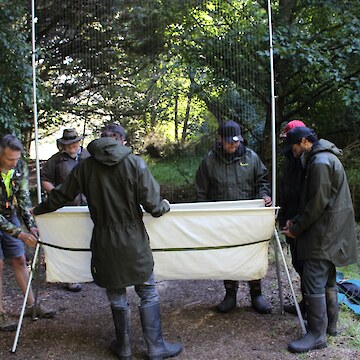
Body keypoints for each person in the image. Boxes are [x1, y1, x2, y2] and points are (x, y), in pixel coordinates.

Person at [33, 124, 182, 360]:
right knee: (148, 291)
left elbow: (61, 195)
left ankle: (123, 348)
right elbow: (154, 206)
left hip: (103, 239)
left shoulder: (85, 167)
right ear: (121, 140)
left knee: (116, 293)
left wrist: (38, 210)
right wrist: (164, 205)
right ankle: (156, 347)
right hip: (133, 239)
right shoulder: (135, 163)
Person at [282, 127, 358, 353]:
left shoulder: (320, 163)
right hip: (331, 230)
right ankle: (330, 326)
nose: (293, 151)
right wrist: (295, 220)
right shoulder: (324, 157)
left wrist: (296, 229)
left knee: (313, 279)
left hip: (323, 233)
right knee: (328, 278)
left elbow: (317, 204)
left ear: (305, 141)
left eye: (294, 147)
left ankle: (316, 334)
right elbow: (316, 200)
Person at [195, 120, 272, 314]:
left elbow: (263, 181)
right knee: (228, 254)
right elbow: (201, 192)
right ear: (219, 139)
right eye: (229, 142)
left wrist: (264, 195)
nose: (233, 145)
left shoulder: (251, 157)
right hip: (222, 220)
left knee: (251, 253)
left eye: (236, 142)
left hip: (249, 219)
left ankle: (257, 294)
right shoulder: (210, 161)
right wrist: (204, 217)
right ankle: (230, 294)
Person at [0, 135, 56, 332]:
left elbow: (23, 198)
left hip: (9, 214)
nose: (14, 163)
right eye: (9, 160)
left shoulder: (20, 166)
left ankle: (32, 306)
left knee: (19, 259)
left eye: (16, 159)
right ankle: (0, 313)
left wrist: (31, 225)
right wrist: (21, 234)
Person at [41, 128, 90, 292]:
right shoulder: (55, 161)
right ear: (63, 145)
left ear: (79, 142)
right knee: (69, 242)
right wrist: (56, 194)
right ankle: (71, 277)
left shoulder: (89, 157)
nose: (71, 147)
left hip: (89, 206)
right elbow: (45, 180)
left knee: (90, 238)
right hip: (67, 208)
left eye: (74, 143)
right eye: (68, 144)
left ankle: (91, 273)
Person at [278, 120, 306, 315]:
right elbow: (286, 190)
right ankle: (306, 303)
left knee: (307, 267)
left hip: (304, 221)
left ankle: (311, 308)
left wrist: (297, 222)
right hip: (290, 219)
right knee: (297, 262)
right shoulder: (290, 158)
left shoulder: (310, 161)